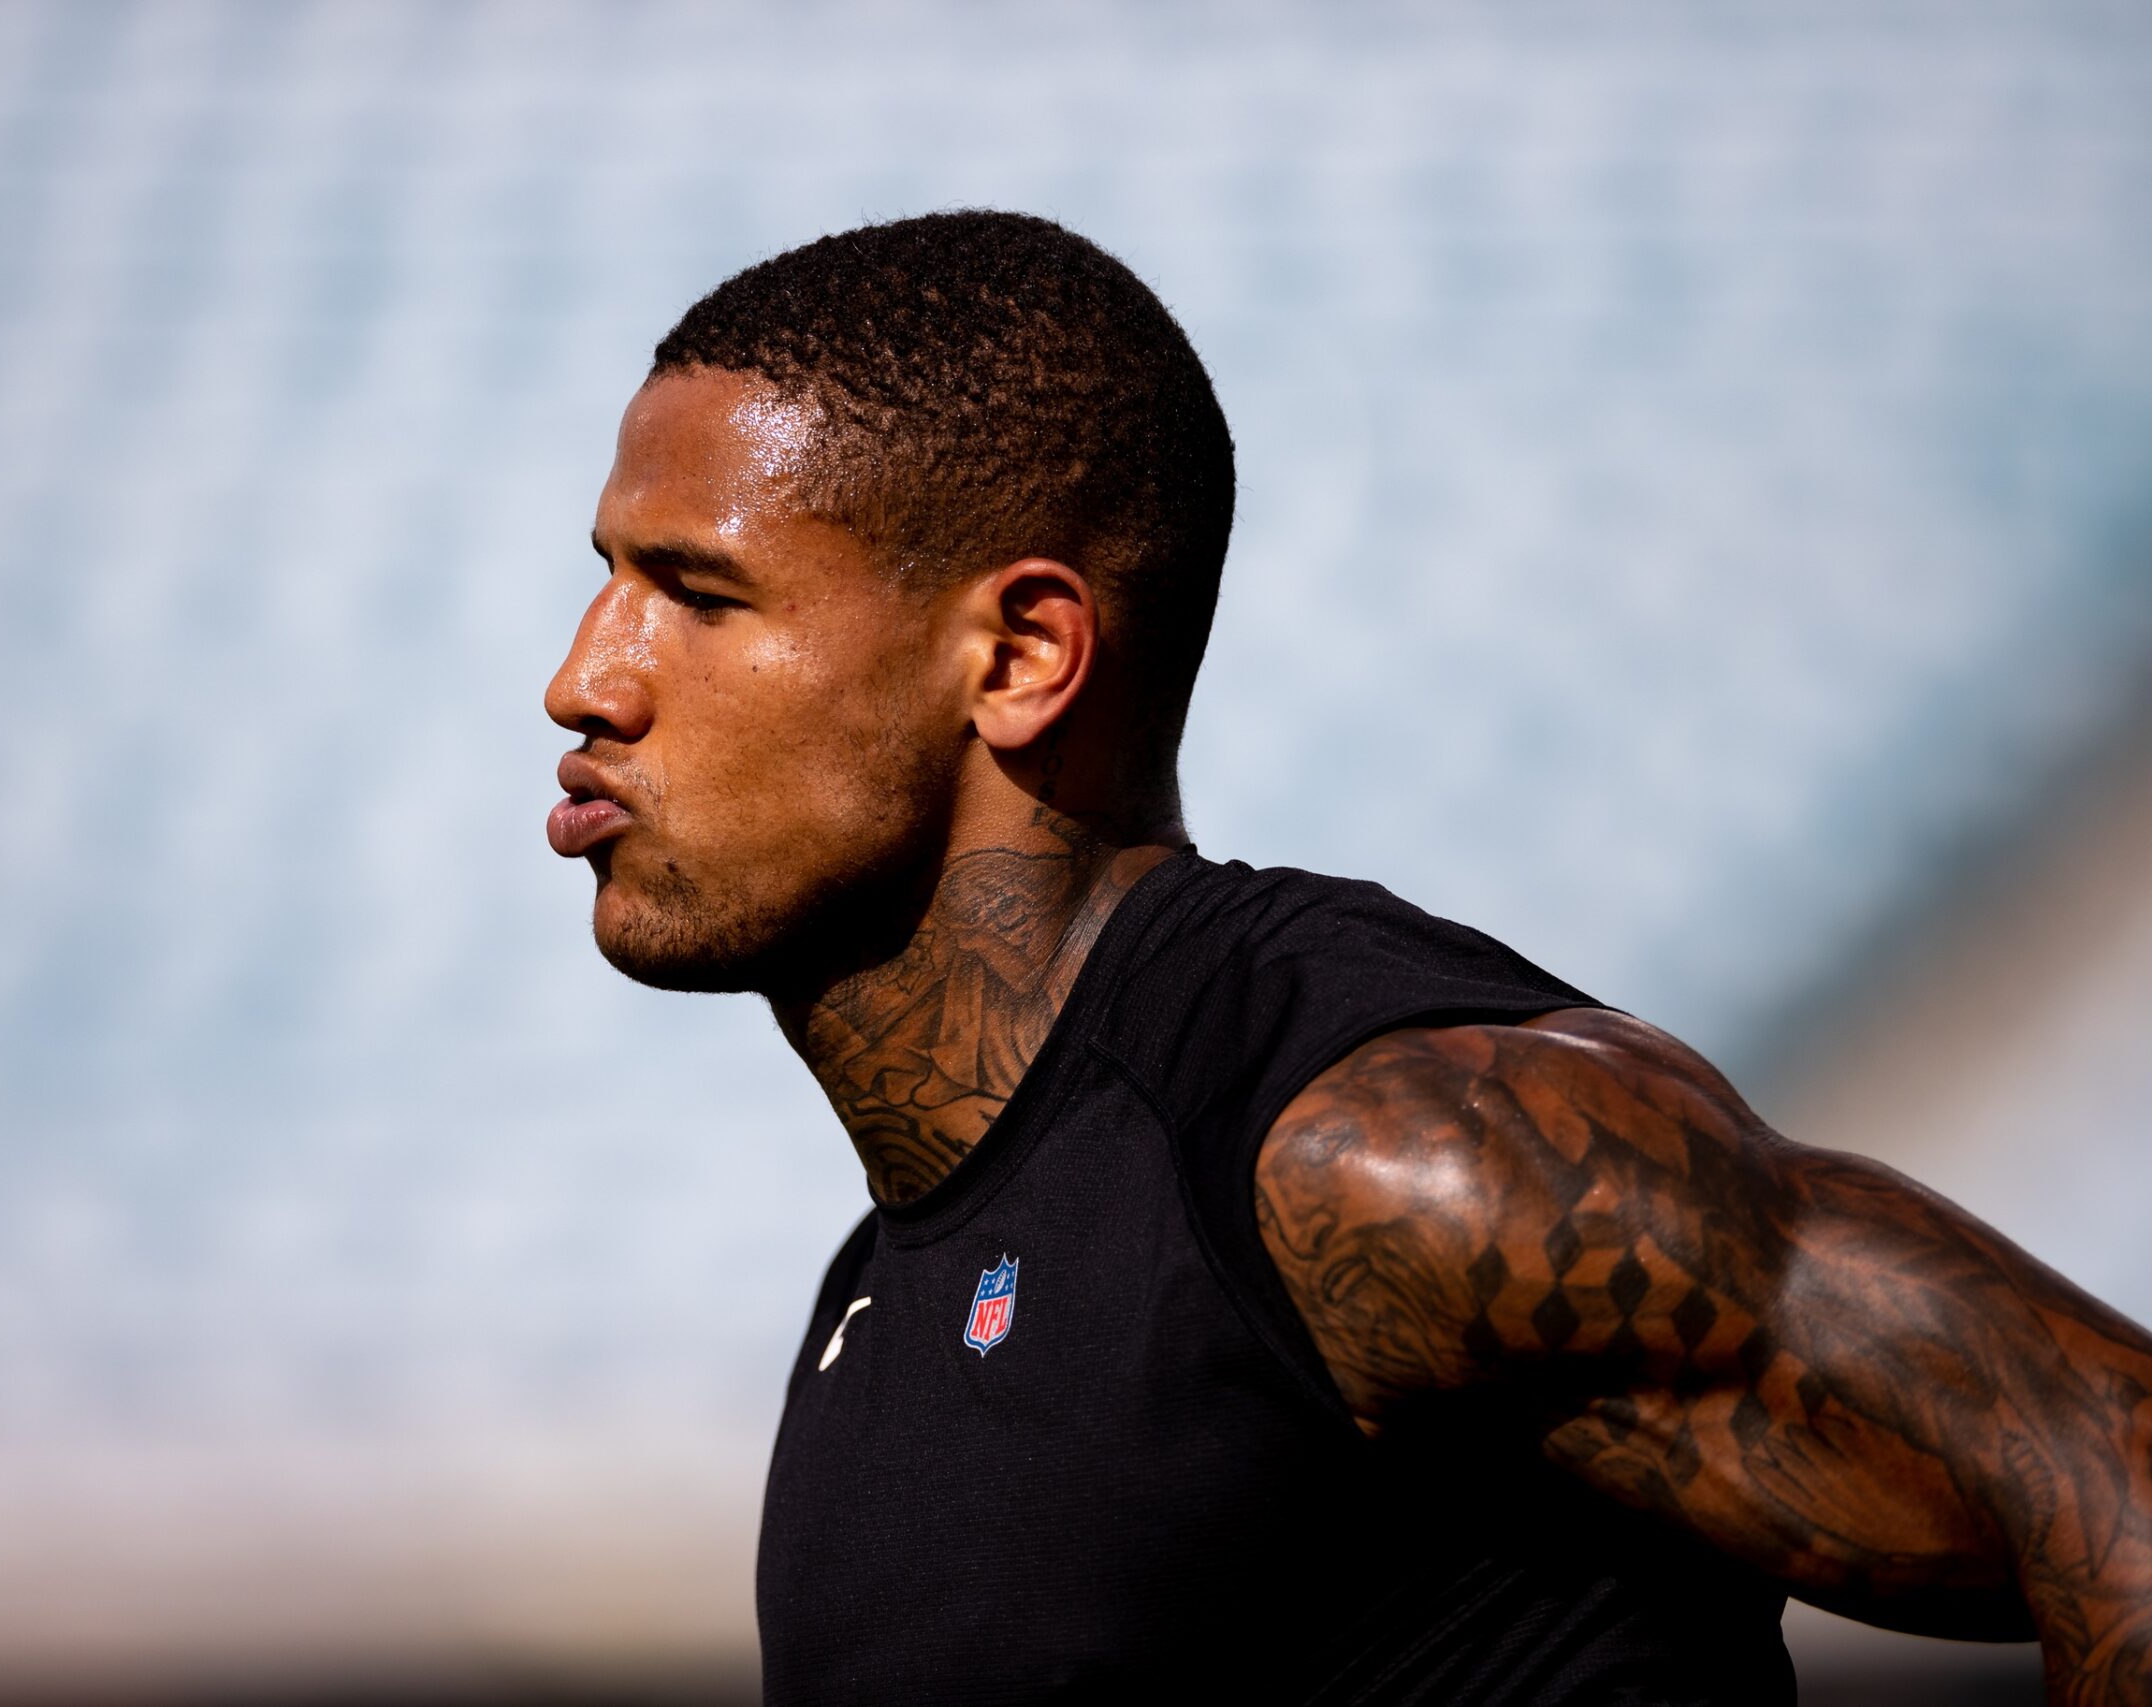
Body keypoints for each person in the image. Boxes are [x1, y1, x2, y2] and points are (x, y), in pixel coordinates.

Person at [541, 210, 2152, 1705]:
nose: (583, 679)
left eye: (694, 591)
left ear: (1023, 655)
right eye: (606, 578)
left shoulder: (1370, 1148)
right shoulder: (881, 1302)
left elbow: (2116, 1477)